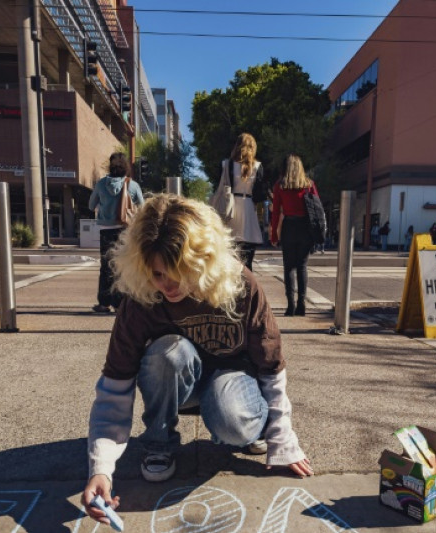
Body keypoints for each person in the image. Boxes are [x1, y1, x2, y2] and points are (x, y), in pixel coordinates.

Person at [82, 194, 312, 526]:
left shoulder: (240, 284)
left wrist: (283, 439)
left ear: (203, 259)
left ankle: (253, 426)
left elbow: (271, 367)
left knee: (230, 416)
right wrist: (100, 469)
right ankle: (159, 443)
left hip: (235, 381)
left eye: (179, 271)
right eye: (158, 273)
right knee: (168, 354)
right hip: (181, 384)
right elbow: (114, 389)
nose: (168, 285)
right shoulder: (142, 298)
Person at [89, 152, 145, 313]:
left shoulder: (101, 184)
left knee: (106, 266)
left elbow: (91, 205)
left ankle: (104, 303)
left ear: (110, 166)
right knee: (122, 266)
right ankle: (120, 303)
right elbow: (142, 208)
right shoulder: (132, 185)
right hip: (125, 230)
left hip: (106, 230)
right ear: (126, 166)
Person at [269, 154, 320, 316]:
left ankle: (290, 305)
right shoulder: (309, 184)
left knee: (289, 267)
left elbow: (276, 212)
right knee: (302, 266)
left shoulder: (280, 186)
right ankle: (301, 304)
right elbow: (317, 209)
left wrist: (274, 236)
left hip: (289, 227)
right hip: (305, 228)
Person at [222, 133, 265, 269]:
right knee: (248, 262)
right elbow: (259, 195)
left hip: (231, 209)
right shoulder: (258, 166)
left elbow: (220, 188)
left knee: (230, 259)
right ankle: (248, 288)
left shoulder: (226, 164)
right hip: (249, 211)